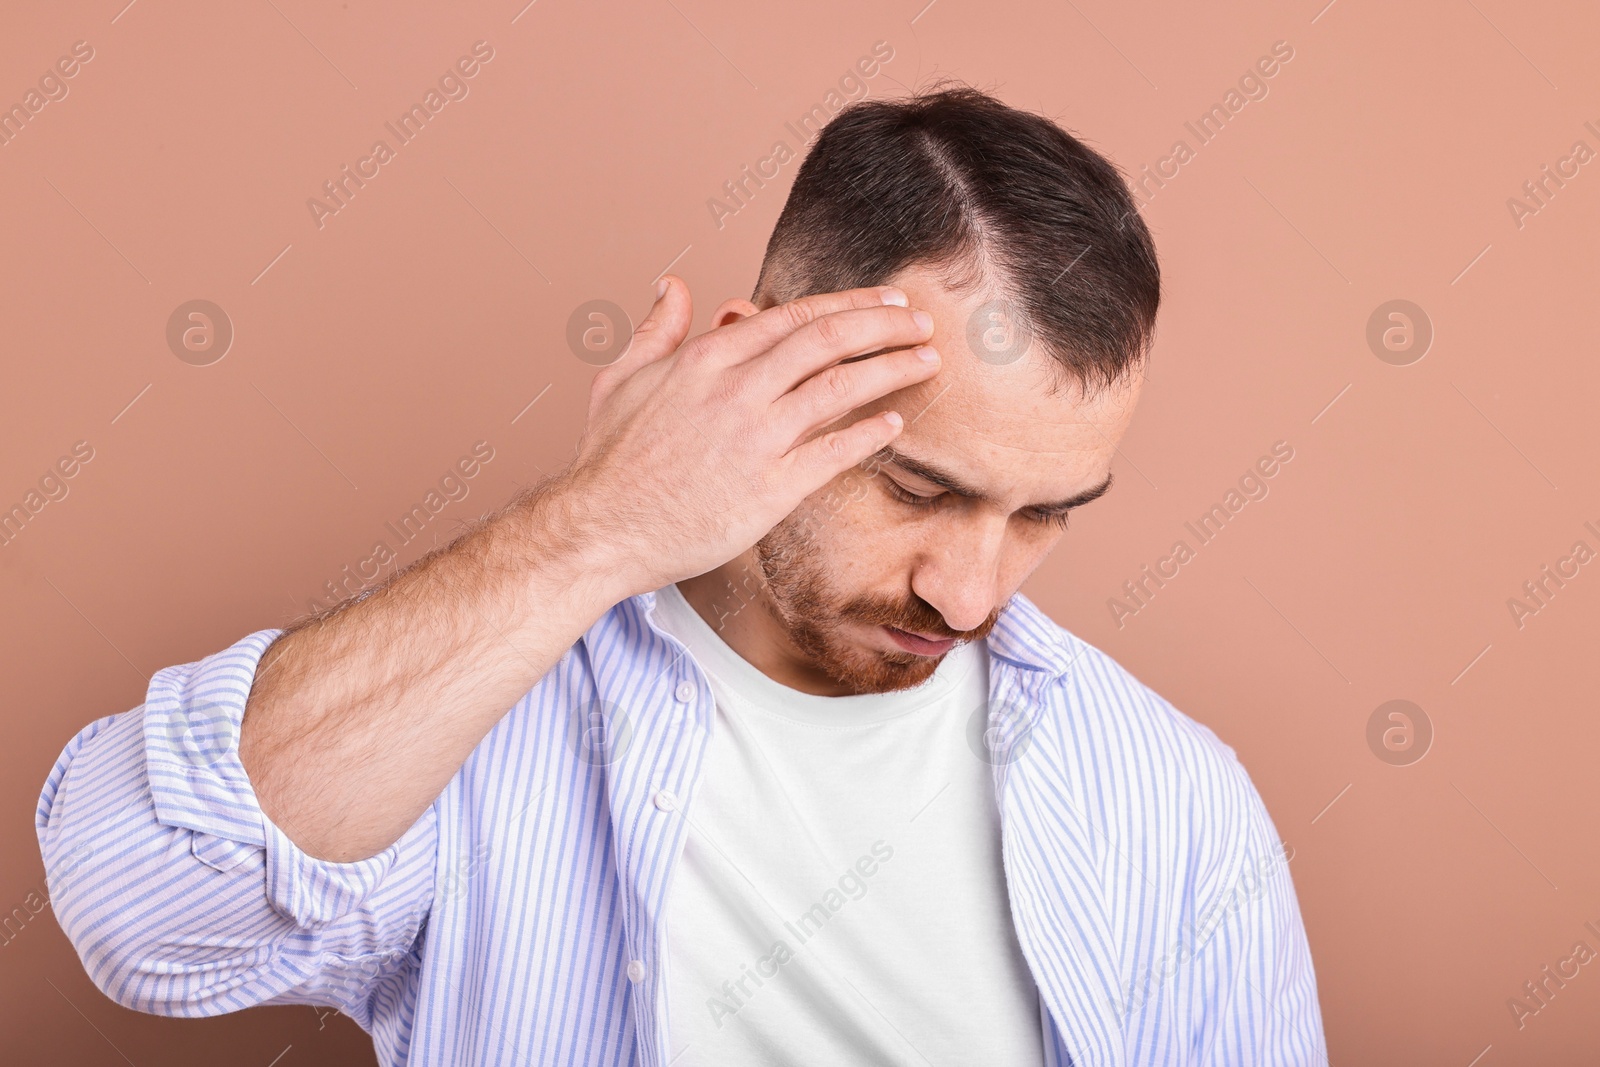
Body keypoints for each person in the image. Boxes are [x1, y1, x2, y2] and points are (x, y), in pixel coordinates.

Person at [36, 84, 1326, 1066]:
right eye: (917, 489)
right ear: (745, 371)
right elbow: (138, 907)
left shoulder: (1169, 803)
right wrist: (601, 523)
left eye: (1048, 515)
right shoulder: (485, 720)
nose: (971, 594)